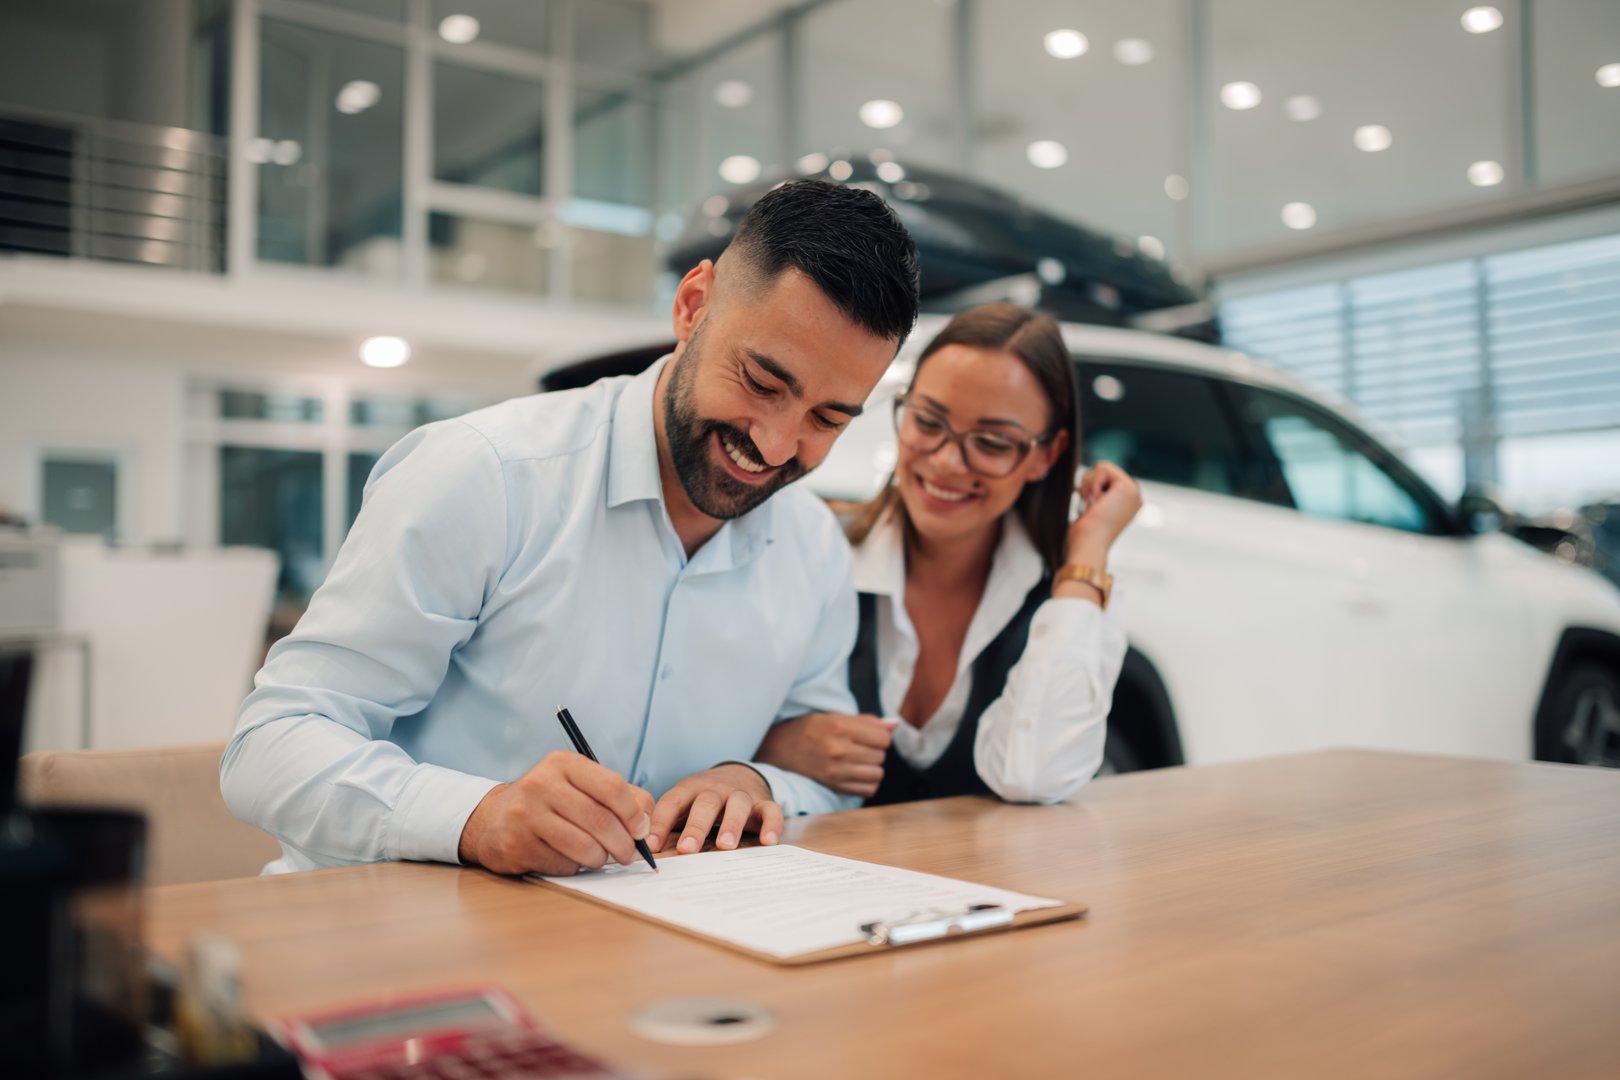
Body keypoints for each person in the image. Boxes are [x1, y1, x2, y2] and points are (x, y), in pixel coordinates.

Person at [221, 180, 920, 875]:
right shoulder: (484, 475)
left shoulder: (815, 546)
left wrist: (757, 784)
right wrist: (475, 816)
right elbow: (272, 745)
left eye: (827, 419)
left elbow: (824, 777)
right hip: (397, 935)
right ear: (692, 306)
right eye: (762, 383)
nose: (773, 444)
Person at [756, 303, 1140, 805]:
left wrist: (1087, 555)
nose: (946, 461)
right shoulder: (819, 552)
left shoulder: (1070, 601)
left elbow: (1035, 777)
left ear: (1047, 455)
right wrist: (776, 745)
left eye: (992, 442)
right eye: (928, 421)